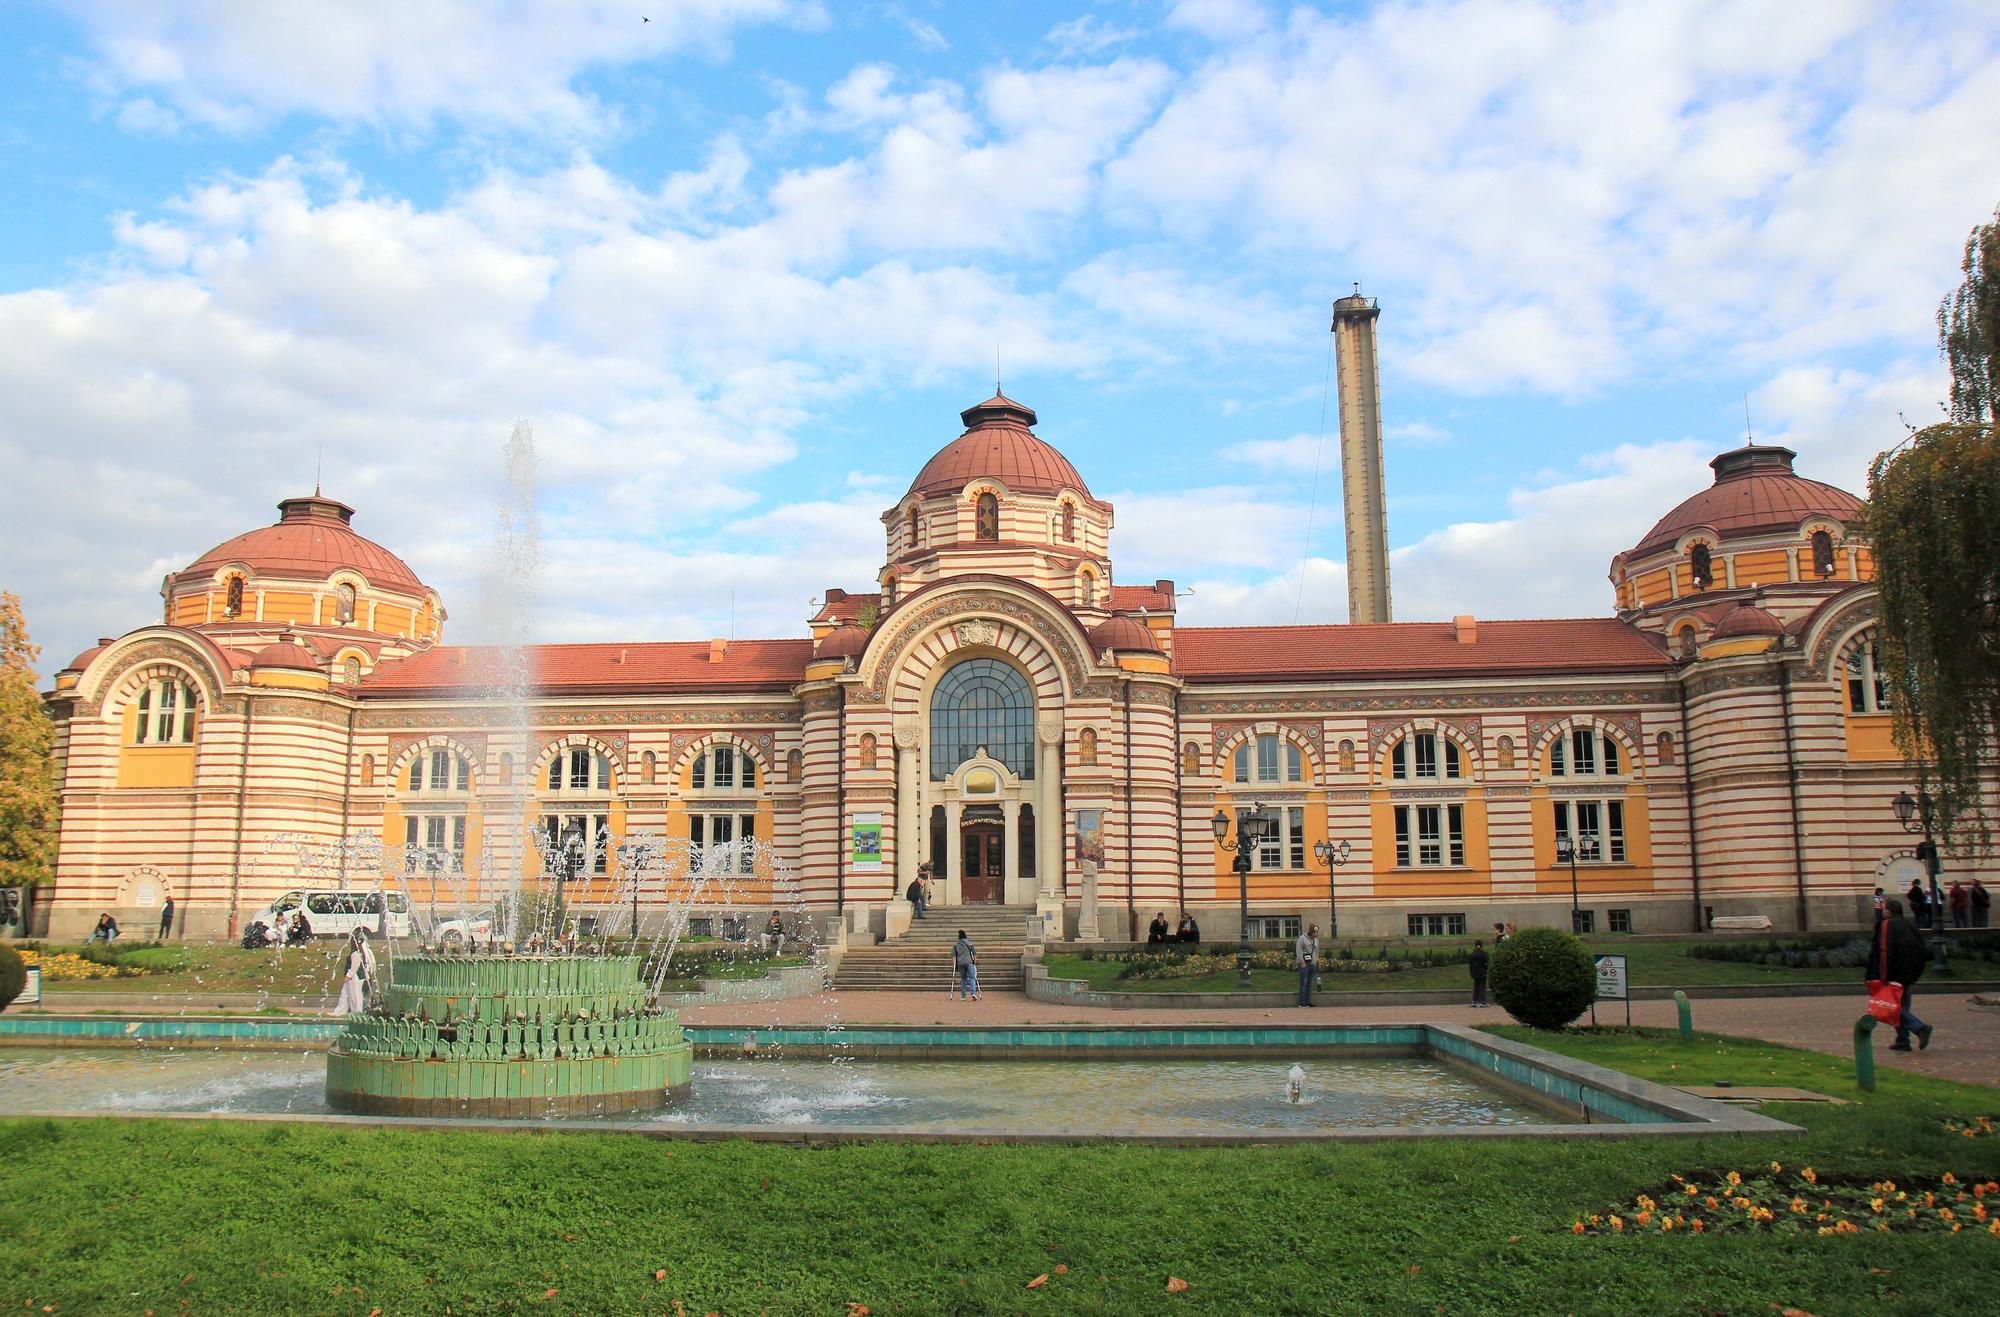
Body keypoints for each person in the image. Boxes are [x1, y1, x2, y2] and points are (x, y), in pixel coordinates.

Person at [1866, 897, 1933, 1052]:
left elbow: (1884, 951)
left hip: (1893, 973)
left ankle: (1920, 1028)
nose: (1882, 911)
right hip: (1909, 973)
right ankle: (1902, 1041)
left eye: (1884, 909)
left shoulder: (1887, 925)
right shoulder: (1910, 924)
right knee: (1902, 1007)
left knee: (1891, 1007)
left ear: (1888, 911)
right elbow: (1922, 949)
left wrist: (1882, 976)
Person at [330, 930, 373, 1015]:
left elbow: (355, 967)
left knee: (355, 995)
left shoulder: (356, 953)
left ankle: (356, 1011)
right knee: (345, 994)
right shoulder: (359, 952)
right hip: (354, 977)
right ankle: (341, 1010)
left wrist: (348, 975)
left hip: (355, 977)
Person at [1295, 923, 1320, 1008]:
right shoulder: (1302, 939)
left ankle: (1307, 1001)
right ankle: (1302, 1003)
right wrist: (1302, 962)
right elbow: (1299, 950)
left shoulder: (1316, 940)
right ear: (1311, 932)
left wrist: (1316, 961)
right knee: (1304, 983)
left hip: (1312, 964)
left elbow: (1317, 952)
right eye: (1314, 932)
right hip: (1305, 965)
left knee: (1309, 984)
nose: (1316, 934)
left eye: (1316, 932)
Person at [953, 929, 979, 1001]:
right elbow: (974, 953)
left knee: (963, 979)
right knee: (972, 978)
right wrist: (975, 962)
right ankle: (973, 993)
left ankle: (963, 996)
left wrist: (955, 965)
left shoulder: (956, 944)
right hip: (969, 962)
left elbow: (953, 956)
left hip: (960, 963)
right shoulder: (969, 943)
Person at [1468, 939, 1489, 1007]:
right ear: (1482, 945)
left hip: (1474, 973)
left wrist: (1471, 973)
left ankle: (1474, 1001)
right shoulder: (1484, 954)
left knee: (1476, 987)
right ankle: (1483, 1002)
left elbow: (1470, 965)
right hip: (1482, 973)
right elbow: (1487, 963)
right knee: (1482, 987)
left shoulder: (1472, 954)